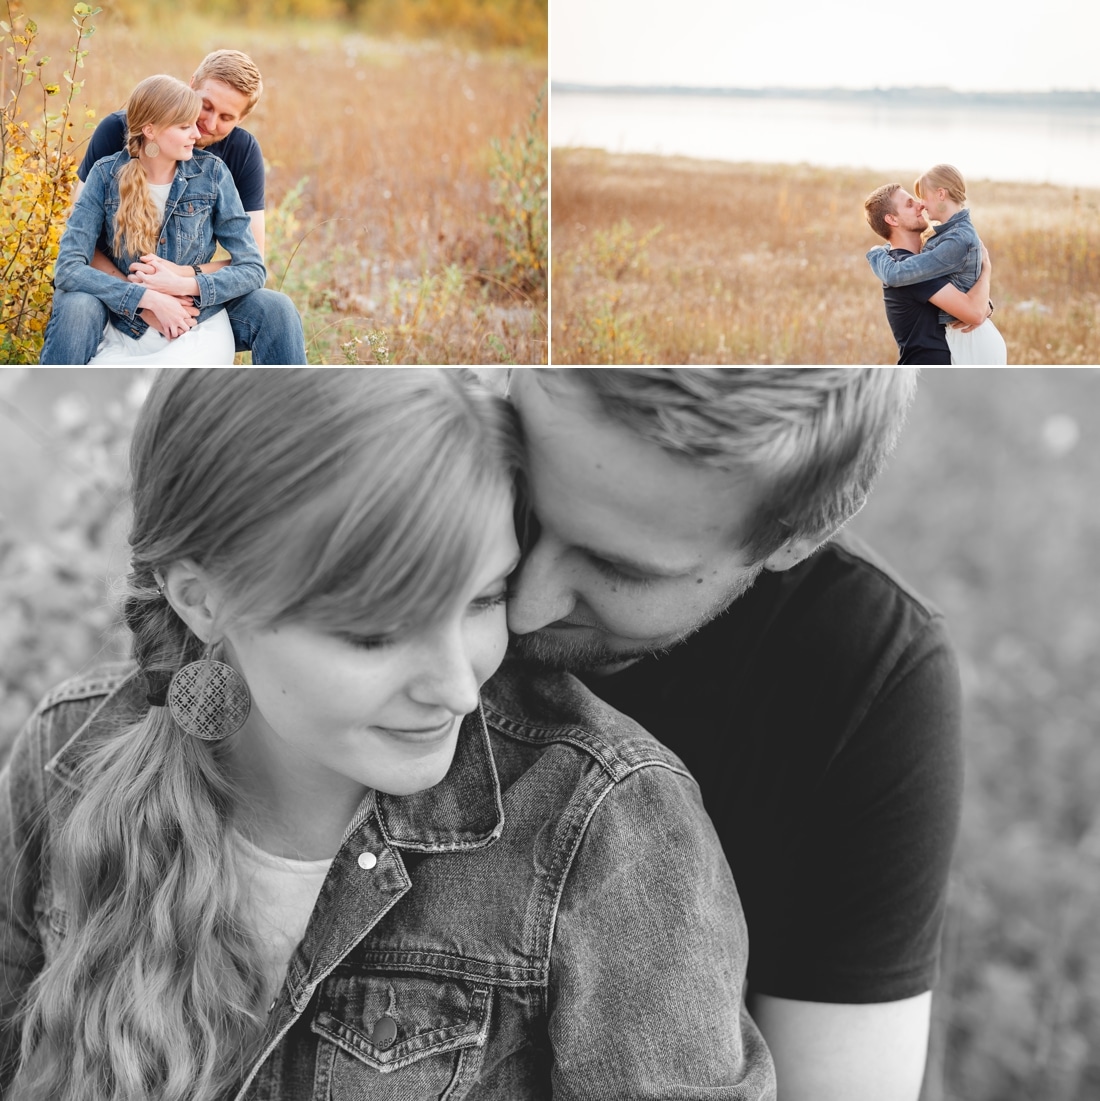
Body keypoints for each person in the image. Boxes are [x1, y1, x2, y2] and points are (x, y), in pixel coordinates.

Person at [0, 369, 775, 1100]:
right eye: (377, 634)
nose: (457, 685)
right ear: (203, 601)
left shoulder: (602, 823)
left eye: (484, 599)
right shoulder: (69, 753)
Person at [504, 368, 964, 1101]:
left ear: (796, 534)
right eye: (523, 493)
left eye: (618, 568)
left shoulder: (863, 674)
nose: (523, 606)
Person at [39, 50, 307, 364]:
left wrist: (181, 280)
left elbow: (251, 263)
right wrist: (144, 299)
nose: (205, 125)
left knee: (277, 309)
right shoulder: (115, 142)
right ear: (192, 84)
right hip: (114, 289)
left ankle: (291, 409)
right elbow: (75, 252)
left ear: (241, 120)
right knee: (77, 307)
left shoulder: (226, 163)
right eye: (205, 106)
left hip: (192, 301)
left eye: (226, 117)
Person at [865, 167, 1008, 364]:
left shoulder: (928, 258)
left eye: (920, 199)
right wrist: (986, 273)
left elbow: (966, 299)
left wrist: (986, 304)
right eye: (910, 204)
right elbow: (974, 312)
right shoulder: (910, 269)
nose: (920, 205)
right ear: (891, 219)